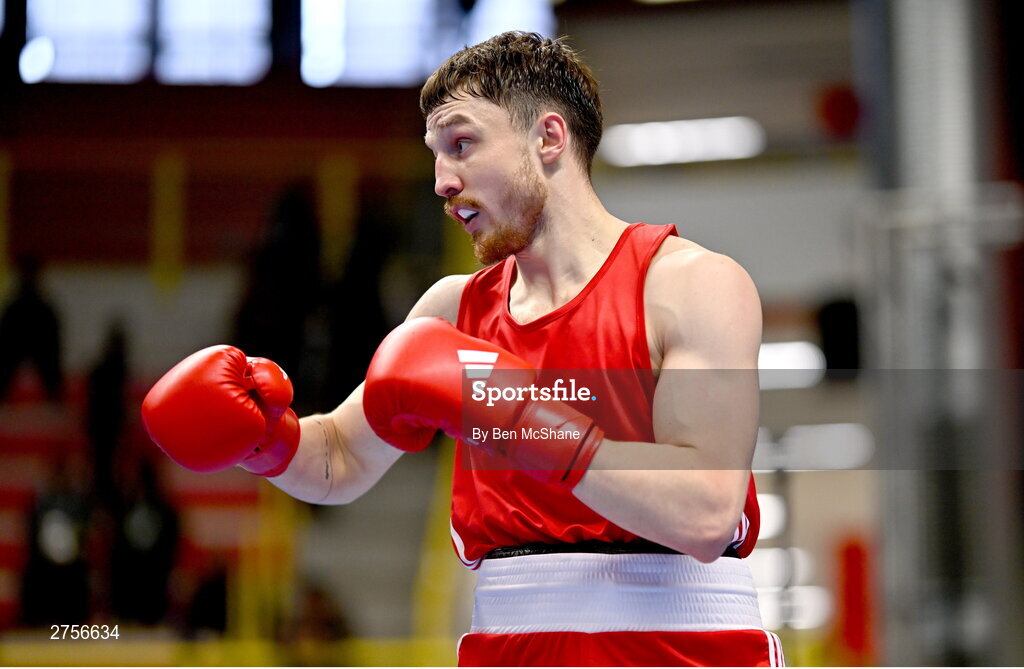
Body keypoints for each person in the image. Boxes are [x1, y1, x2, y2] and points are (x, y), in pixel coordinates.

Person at [141, 31, 783, 667]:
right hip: (506, 646)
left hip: (681, 647)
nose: (443, 181)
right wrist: (266, 439)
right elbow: (336, 458)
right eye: (435, 154)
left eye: (463, 143)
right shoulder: (453, 311)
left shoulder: (690, 284)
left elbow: (704, 512)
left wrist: (524, 420)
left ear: (549, 139)